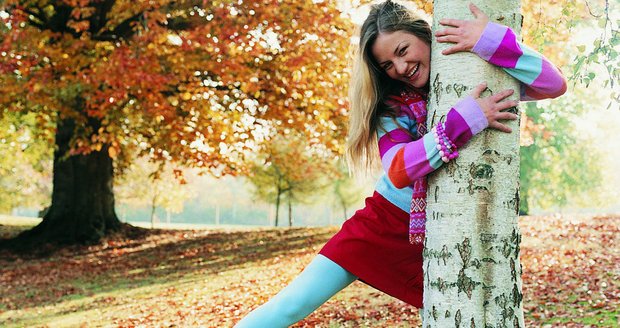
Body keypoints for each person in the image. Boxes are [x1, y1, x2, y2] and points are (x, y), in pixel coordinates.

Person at [236, 1, 566, 326]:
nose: (400, 66)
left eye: (403, 49)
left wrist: (488, 40)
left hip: (450, 230)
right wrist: (461, 122)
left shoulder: (475, 70)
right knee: (293, 304)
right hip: (384, 223)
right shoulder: (394, 107)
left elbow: (553, 84)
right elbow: (397, 169)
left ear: (425, 34)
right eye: (387, 64)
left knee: (450, 315)